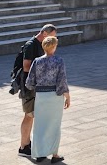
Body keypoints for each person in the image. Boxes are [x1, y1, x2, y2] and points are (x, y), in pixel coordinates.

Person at [24, 36, 70, 164]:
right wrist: (67, 96)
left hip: (41, 96)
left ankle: (39, 154)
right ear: (54, 47)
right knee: (54, 125)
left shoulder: (37, 61)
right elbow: (62, 80)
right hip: (55, 96)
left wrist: (38, 88)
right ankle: (55, 154)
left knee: (40, 125)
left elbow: (29, 82)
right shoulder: (59, 61)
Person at [19, 24, 58, 158]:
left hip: (37, 87)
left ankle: (28, 144)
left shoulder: (42, 45)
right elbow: (26, 66)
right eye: (53, 36)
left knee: (33, 116)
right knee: (29, 115)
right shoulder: (31, 45)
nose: (54, 40)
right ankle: (23, 147)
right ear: (45, 34)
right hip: (29, 87)